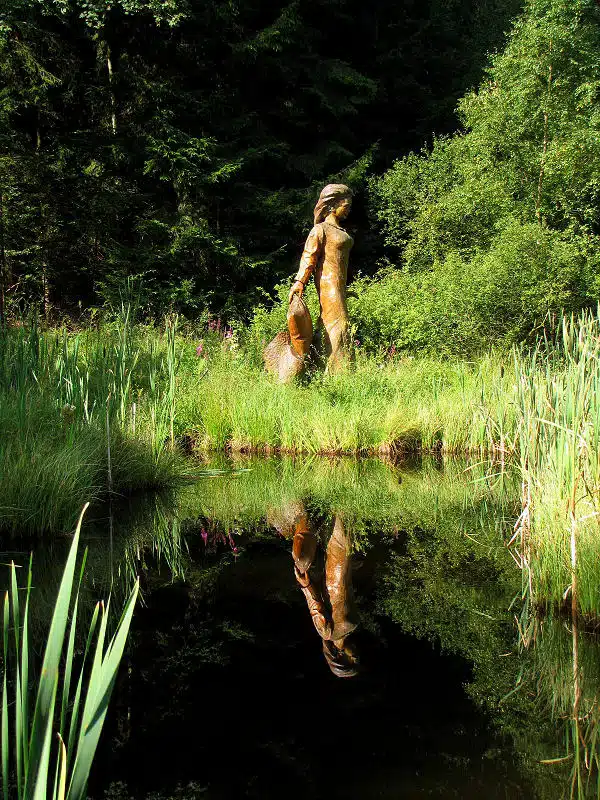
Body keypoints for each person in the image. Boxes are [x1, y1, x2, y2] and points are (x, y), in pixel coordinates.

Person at [289, 184, 354, 373]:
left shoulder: (339, 231)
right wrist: (299, 281)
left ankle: (318, 368)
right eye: (346, 206)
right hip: (329, 288)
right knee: (339, 326)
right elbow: (308, 257)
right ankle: (338, 374)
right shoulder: (320, 230)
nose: (348, 211)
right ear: (332, 205)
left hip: (338, 288)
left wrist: (344, 288)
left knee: (335, 326)